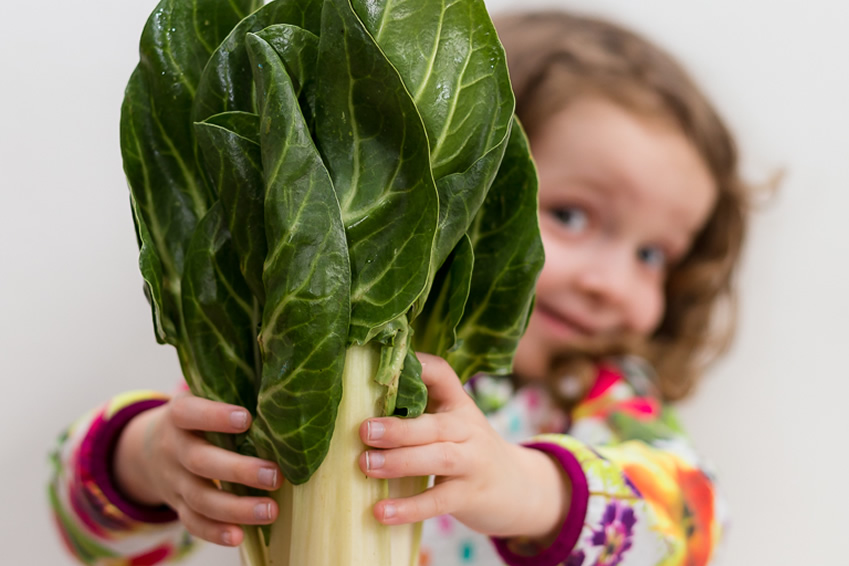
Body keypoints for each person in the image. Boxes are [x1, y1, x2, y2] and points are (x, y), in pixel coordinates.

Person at [48, 9, 752, 566]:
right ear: (458, 200)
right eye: (570, 215)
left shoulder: (591, 403)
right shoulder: (270, 370)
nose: (610, 282)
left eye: (653, 254)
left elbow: (688, 520)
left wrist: (525, 489)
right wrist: (145, 459)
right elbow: (93, 538)